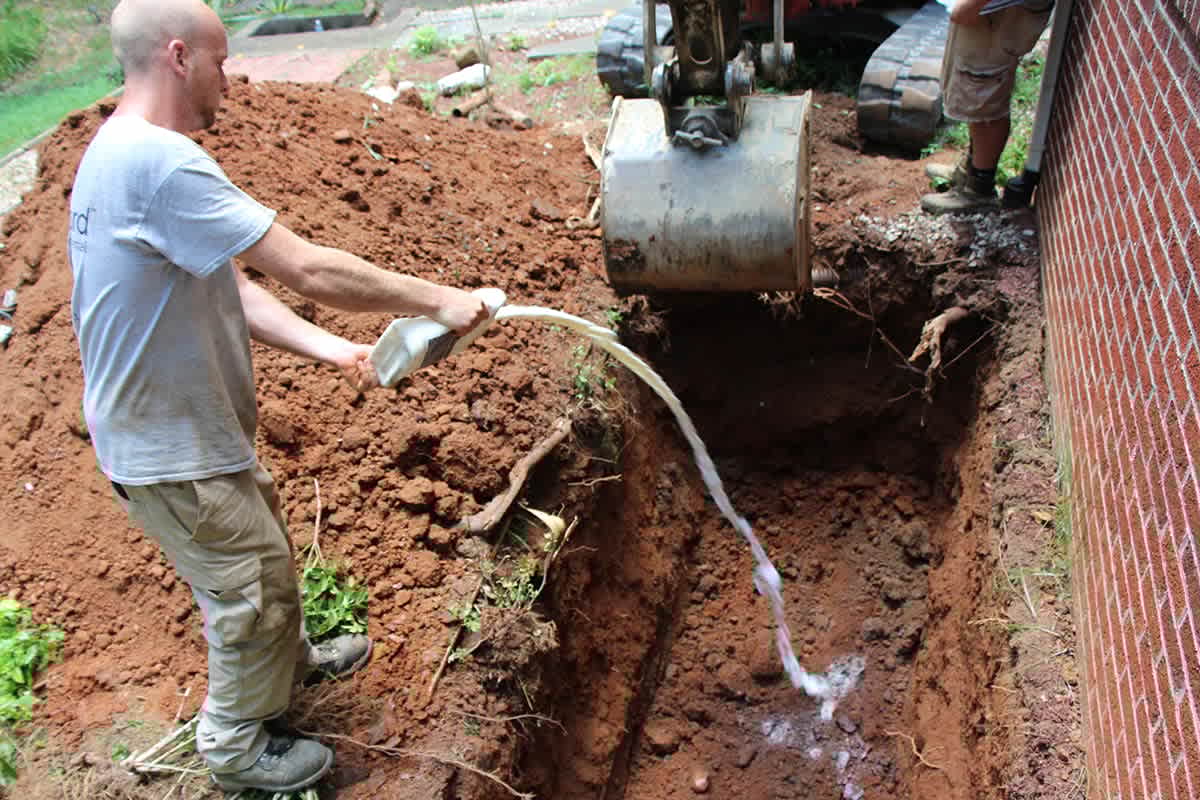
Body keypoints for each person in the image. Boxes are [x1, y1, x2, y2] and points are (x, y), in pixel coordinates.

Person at [67, 0, 490, 792]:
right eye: (223, 60)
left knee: (263, 553)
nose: (233, 75)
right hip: (167, 448)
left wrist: (338, 350)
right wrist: (439, 298)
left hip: (185, 432)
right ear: (179, 56)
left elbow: (230, 283)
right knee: (246, 593)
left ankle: (286, 667)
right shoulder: (160, 163)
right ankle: (234, 746)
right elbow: (308, 269)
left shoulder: (118, 152)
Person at [921, 0, 1053, 214]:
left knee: (983, 93)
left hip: (1000, 16)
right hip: (990, 15)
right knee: (974, 85)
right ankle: (971, 170)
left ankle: (978, 189)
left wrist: (966, 8)